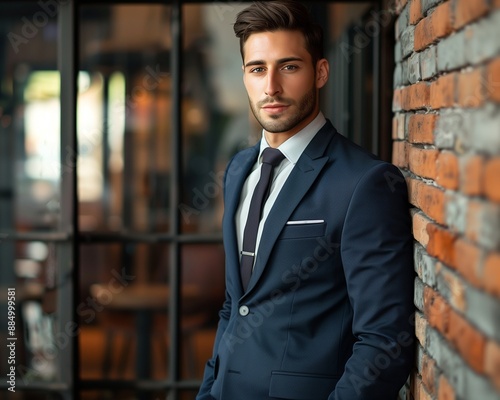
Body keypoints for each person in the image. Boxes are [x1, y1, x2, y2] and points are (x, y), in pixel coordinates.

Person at [196, 1, 415, 399]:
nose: (271, 87)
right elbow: (235, 305)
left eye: (289, 67)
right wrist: (210, 389)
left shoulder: (364, 183)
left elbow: (384, 340)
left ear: (321, 72)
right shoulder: (238, 170)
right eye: (257, 69)